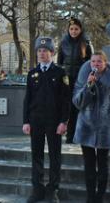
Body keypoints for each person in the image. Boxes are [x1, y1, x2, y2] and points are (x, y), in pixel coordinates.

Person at [23, 37, 71, 203]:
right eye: (39, 51)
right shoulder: (32, 73)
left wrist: (64, 121)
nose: (42, 54)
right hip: (36, 120)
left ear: (52, 53)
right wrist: (26, 121)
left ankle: (52, 189)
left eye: (45, 51)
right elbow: (27, 99)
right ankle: (37, 189)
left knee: (54, 156)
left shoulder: (60, 73)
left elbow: (66, 100)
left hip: (54, 122)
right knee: (36, 155)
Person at [73, 51, 110, 203]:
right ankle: (90, 198)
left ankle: (99, 198)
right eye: (93, 61)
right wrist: (88, 86)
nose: (96, 64)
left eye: (99, 62)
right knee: (89, 165)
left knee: (103, 164)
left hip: (105, 129)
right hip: (86, 128)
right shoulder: (84, 78)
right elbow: (77, 102)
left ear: (105, 63)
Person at [57, 17, 93, 143]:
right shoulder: (63, 43)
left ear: (80, 29)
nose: (73, 31)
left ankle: (79, 135)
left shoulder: (86, 43)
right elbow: (60, 63)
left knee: (78, 107)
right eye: (71, 29)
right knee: (68, 108)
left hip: (80, 80)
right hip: (67, 80)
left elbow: (91, 64)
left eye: (76, 29)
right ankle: (69, 135)